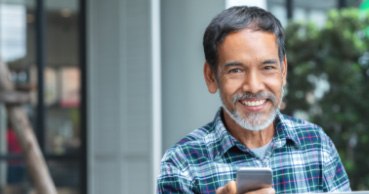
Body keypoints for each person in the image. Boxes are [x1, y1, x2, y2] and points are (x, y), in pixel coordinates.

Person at [157, 6, 351, 194]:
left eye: (267, 67)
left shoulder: (316, 144)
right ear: (211, 76)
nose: (254, 86)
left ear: (283, 71)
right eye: (236, 70)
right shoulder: (182, 164)